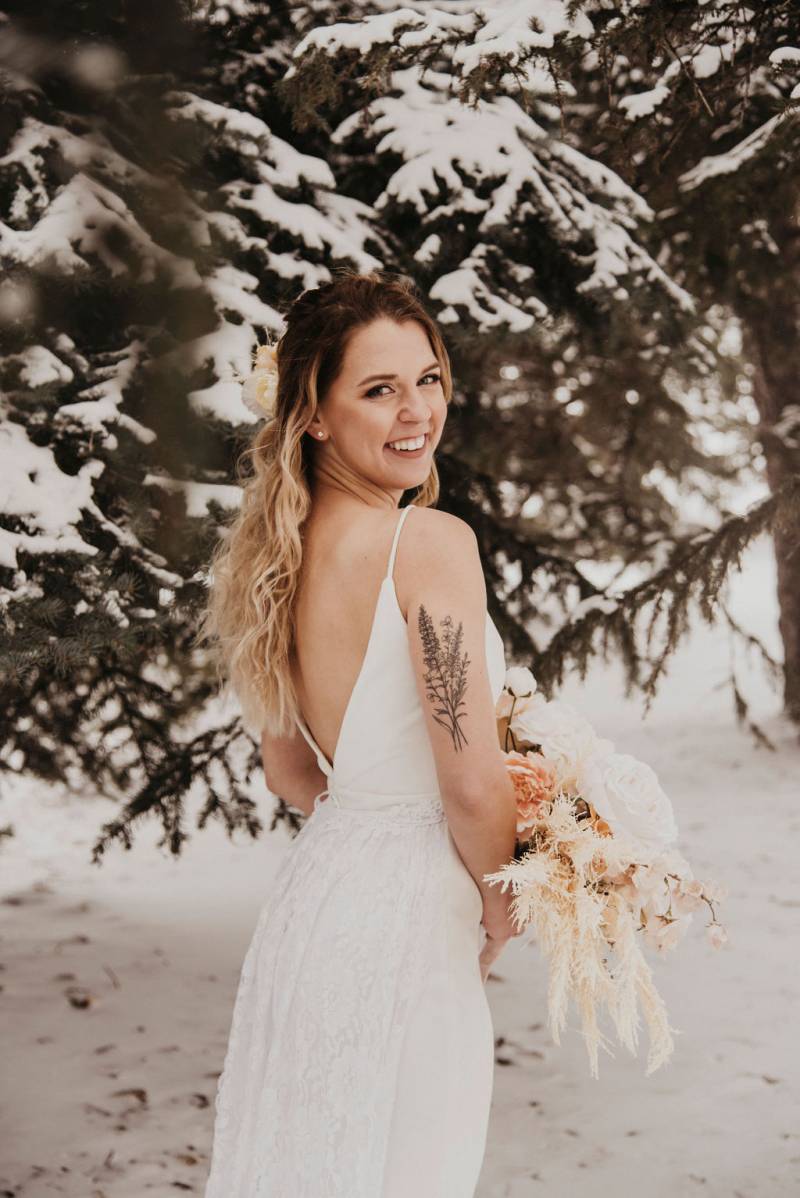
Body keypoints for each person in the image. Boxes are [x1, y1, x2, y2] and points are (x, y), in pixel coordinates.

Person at [198, 269, 521, 1197]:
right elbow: (469, 780)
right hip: (414, 918)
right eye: (378, 390)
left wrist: (369, 816)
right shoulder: (427, 542)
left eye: (427, 379)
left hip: (319, 901)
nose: (416, 411)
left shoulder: (273, 558)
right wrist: (504, 900)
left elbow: (289, 767)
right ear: (313, 414)